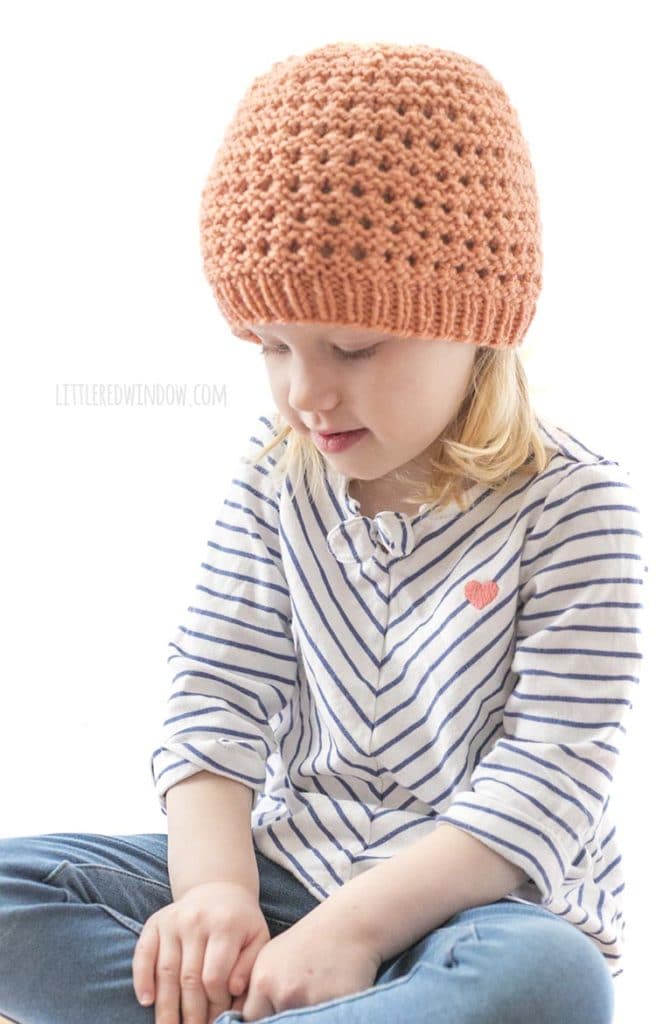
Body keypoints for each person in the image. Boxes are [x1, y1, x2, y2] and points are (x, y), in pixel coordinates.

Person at [0, 40, 647, 1024]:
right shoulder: (275, 475)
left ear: (478, 322)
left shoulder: (575, 509)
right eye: (269, 347)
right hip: (287, 869)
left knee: (551, 986)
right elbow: (213, 695)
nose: (305, 392)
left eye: (350, 346)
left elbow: (544, 783)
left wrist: (348, 933)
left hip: (473, 912)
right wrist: (213, 894)